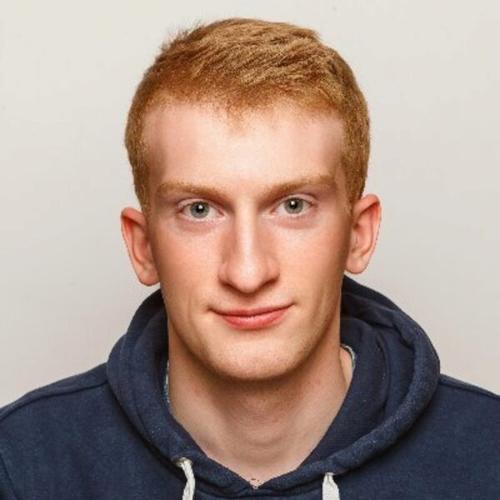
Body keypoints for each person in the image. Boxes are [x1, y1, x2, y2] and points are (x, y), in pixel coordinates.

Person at [1, 17, 498, 500]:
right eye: (199, 210)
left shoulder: (488, 461)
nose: (247, 272)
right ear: (143, 245)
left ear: (358, 235)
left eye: (293, 206)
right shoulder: (21, 466)